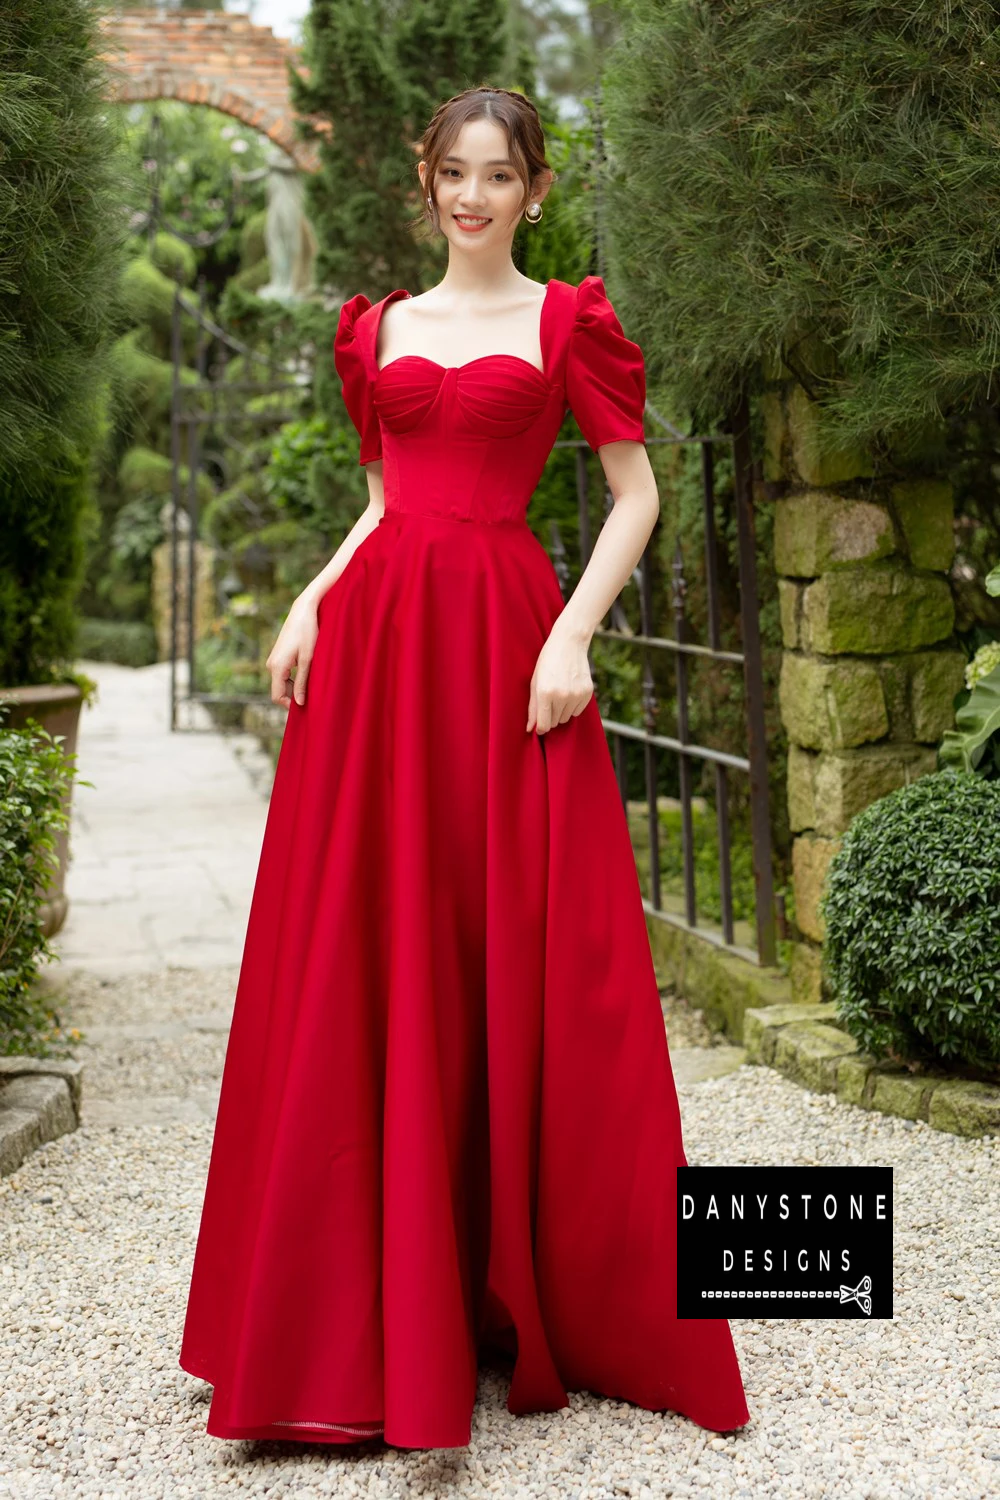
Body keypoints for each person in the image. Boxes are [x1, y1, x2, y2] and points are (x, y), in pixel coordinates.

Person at [178, 85, 750, 1451]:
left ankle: (527, 1290)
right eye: (454, 173)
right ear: (427, 184)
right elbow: (383, 499)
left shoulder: (567, 323)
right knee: (362, 959)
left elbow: (636, 494)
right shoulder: (377, 329)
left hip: (503, 655)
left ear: (534, 190)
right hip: (377, 663)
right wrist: (315, 594)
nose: (474, 196)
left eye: (500, 175)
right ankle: (342, 1317)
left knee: (522, 967)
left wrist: (572, 638)